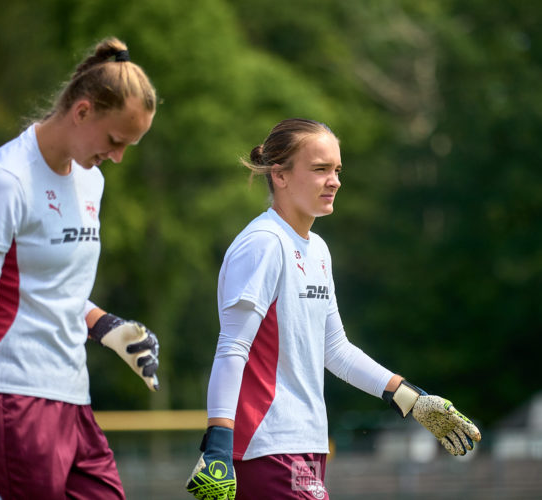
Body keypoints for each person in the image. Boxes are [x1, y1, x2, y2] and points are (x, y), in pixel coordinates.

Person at [186, 118, 481, 500]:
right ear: (280, 175)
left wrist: (410, 397)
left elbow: (335, 348)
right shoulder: (263, 244)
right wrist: (219, 446)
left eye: (337, 170)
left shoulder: (318, 250)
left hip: (306, 445)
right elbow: (232, 347)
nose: (335, 180)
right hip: (265, 446)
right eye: (320, 169)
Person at [0, 37, 160, 500]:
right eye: (115, 141)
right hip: (11, 395)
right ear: (82, 111)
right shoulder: (4, 182)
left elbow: (48, 286)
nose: (117, 157)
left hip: (73, 397)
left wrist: (105, 326)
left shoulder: (90, 179)